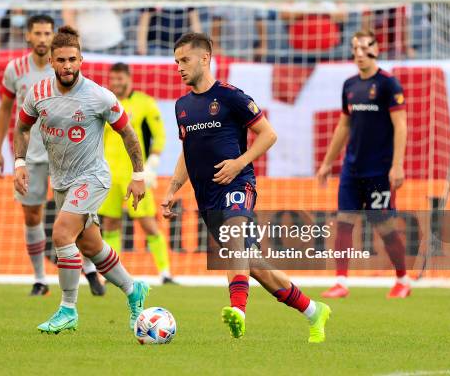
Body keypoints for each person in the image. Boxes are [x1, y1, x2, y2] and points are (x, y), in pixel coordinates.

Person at [162, 32, 331, 342]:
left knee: (233, 239)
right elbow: (188, 151)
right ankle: (313, 310)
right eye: (176, 62)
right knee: (257, 267)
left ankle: (237, 310)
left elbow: (268, 134)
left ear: (205, 58)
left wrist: (239, 163)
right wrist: (173, 189)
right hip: (207, 196)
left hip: (239, 185)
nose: (180, 68)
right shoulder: (182, 105)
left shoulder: (231, 97)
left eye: (185, 60)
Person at [13, 26, 149, 333]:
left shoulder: (99, 96)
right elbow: (21, 127)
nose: (67, 66)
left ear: (81, 60)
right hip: (61, 180)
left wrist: (138, 175)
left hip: (93, 177)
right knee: (91, 246)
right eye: (61, 60)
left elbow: (128, 133)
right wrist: (20, 162)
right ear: (51, 61)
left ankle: (68, 309)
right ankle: (132, 289)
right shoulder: (38, 93)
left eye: (72, 59)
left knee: (61, 234)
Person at [0, 15, 104, 296]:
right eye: (37, 33)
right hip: (32, 155)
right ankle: (40, 278)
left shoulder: (64, 67)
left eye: (47, 33)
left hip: (69, 155)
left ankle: (90, 269)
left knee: (76, 216)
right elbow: (6, 109)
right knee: (32, 215)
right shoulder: (14, 70)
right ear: (28, 37)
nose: (42, 38)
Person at [317, 29, 410, 299]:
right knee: (344, 222)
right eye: (354, 48)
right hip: (352, 168)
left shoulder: (388, 84)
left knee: (385, 227)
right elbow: (343, 125)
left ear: (376, 49)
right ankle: (341, 282)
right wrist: (327, 163)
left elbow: (400, 125)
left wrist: (397, 165)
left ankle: (403, 279)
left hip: (379, 170)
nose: (359, 53)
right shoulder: (349, 85)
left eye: (364, 48)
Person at [98, 62, 176, 284]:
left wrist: (152, 162)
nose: (116, 83)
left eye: (120, 79)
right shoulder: (104, 104)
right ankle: (109, 274)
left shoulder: (144, 103)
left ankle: (165, 272)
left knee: (147, 222)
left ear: (129, 79)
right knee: (110, 224)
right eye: (113, 79)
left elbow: (159, 135)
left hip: (135, 174)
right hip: (108, 174)